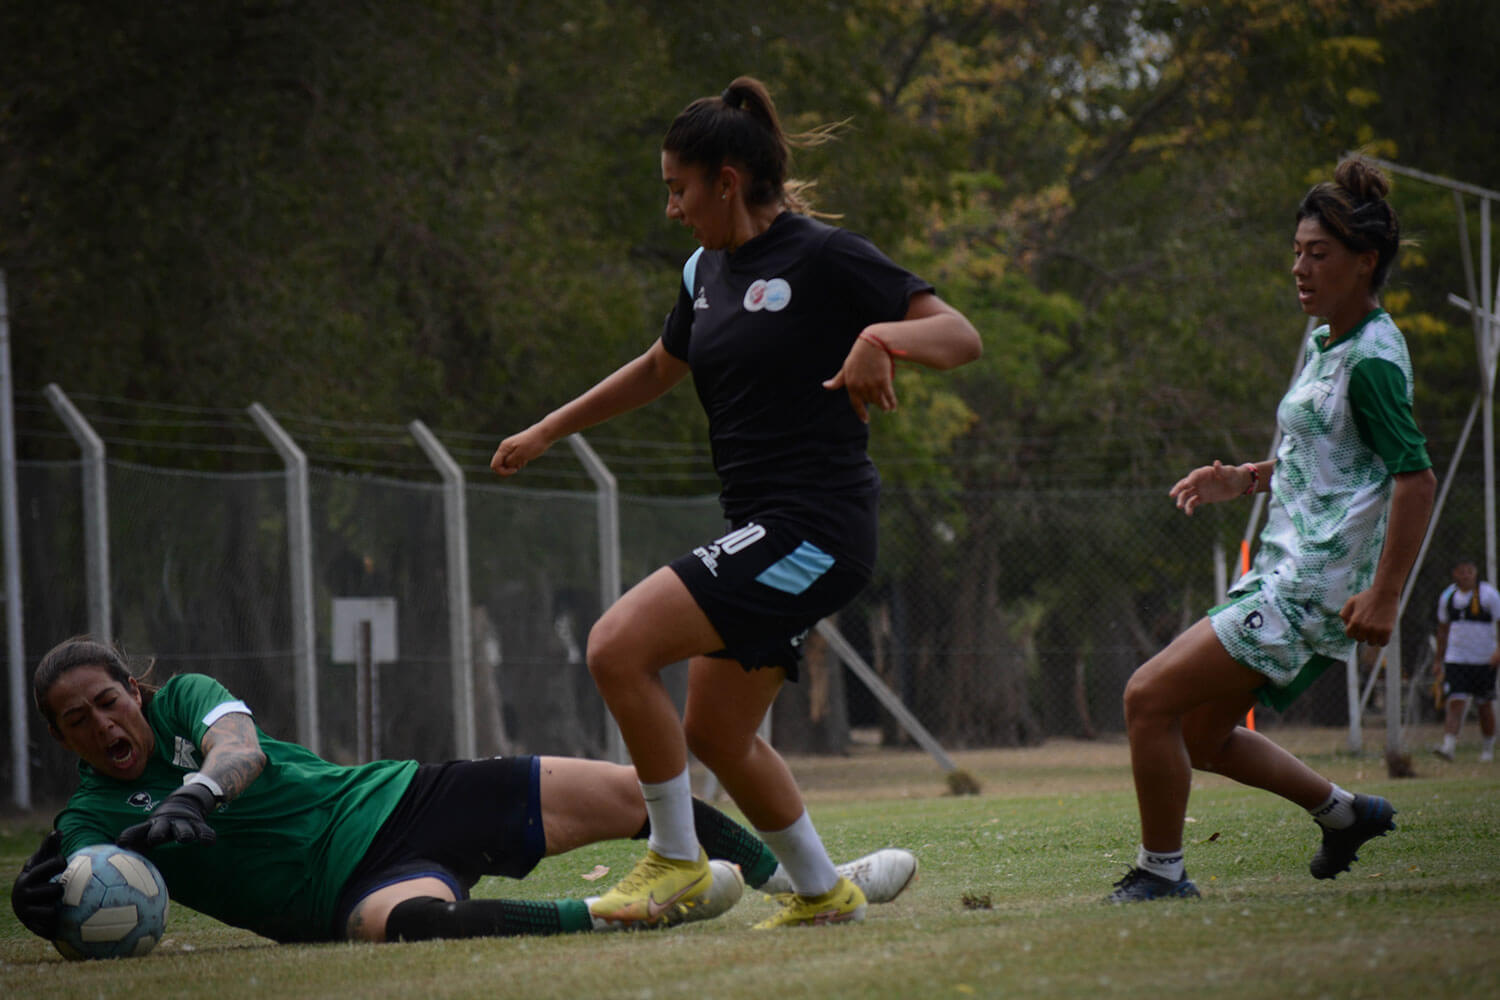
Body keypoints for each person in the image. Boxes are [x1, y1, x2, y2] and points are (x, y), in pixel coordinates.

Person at [490, 76, 979, 928]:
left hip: (817, 528)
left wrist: (878, 335)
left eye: (678, 189)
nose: (672, 209)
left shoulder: (824, 256)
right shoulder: (703, 271)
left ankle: (676, 859)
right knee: (716, 733)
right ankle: (826, 892)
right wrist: (548, 429)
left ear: (724, 180)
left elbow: (958, 336)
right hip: (764, 530)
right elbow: (656, 369)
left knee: (615, 646)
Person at [10, 637, 918, 947]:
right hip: (343, 895)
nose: (101, 726)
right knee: (396, 929)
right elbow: (84, 882)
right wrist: (39, 909)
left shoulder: (185, 703)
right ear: (61, 739)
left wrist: (199, 792)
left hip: (407, 798)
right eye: (76, 722)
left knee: (636, 792)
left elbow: (236, 744)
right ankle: (617, 915)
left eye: (106, 702)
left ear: (135, 690)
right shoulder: (89, 820)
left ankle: (814, 882)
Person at [1109, 157, 1437, 902]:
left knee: (1145, 697)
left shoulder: (1374, 361)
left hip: (1309, 588)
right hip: (1281, 573)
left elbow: (1413, 478)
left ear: (1366, 262)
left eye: (1318, 255)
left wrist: (1386, 596)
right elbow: (1331, 458)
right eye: (1296, 252)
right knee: (1201, 737)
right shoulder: (1331, 343)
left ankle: (1161, 874)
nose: (1300, 268)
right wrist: (1247, 478)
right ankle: (1346, 815)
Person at [1432, 558, 1500, 762]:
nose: (1466, 575)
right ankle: (1449, 746)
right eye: (1461, 572)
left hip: (1483, 659)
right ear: (1455, 574)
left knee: (1484, 705)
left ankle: (1488, 749)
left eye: (1469, 571)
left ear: (1476, 573)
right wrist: (1439, 659)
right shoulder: (1448, 596)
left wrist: (1498, 650)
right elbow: (1442, 630)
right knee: (1455, 701)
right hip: (1456, 658)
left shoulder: (1489, 595)